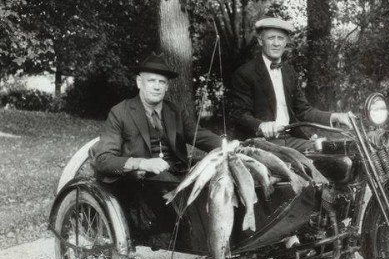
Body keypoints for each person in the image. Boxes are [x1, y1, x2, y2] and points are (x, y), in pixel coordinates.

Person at [92, 53, 222, 247]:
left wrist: (229, 146)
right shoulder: (120, 112)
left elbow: (199, 136)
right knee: (170, 184)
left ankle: (218, 234)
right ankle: (187, 236)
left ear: (167, 86)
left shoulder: (174, 111)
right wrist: (141, 162)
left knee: (217, 173)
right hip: (141, 182)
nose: (156, 86)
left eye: (162, 82)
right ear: (139, 82)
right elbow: (102, 159)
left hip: (177, 172)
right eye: (151, 80)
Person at [231, 17, 351, 151]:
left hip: (291, 139)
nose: (276, 43)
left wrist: (336, 117)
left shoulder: (290, 72)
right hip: (261, 143)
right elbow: (239, 113)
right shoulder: (245, 73)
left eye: (280, 38)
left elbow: (304, 111)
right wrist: (261, 125)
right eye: (271, 38)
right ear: (260, 40)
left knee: (334, 156)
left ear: (286, 42)